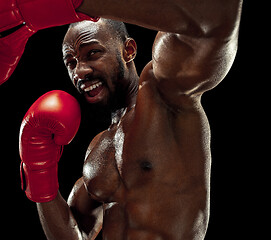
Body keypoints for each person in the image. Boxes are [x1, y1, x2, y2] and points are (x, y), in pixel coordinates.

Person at [19, 0, 243, 239]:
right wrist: (38, 176)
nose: (80, 71)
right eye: (71, 62)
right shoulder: (96, 148)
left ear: (129, 50)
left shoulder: (167, 95)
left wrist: (80, 3)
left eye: (92, 53)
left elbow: (214, 18)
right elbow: (76, 235)